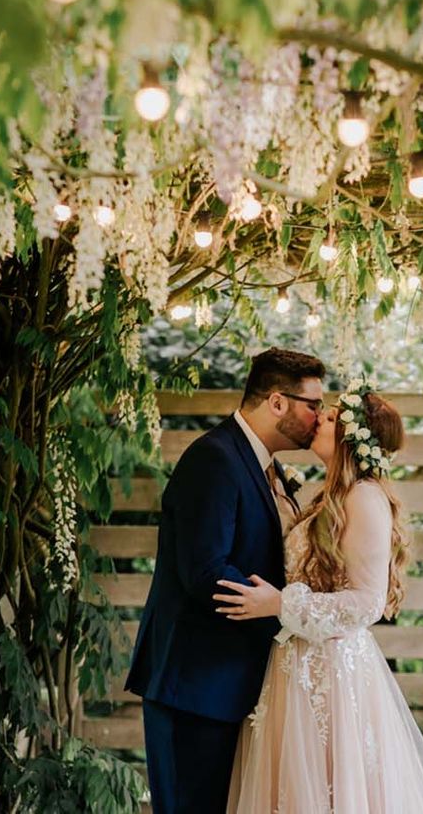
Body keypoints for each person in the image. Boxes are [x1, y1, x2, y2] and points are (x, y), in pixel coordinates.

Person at [215, 383, 423, 813]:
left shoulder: (364, 497)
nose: (317, 420)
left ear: (350, 438)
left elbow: (366, 602)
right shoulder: (330, 496)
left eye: (329, 418)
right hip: (295, 666)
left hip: (333, 673)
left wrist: (280, 604)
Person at [126, 347, 326, 814]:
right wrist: (288, 618)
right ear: (277, 402)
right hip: (195, 686)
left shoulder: (264, 465)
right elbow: (205, 571)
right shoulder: (213, 459)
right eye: (313, 405)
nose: (319, 417)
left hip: (233, 684)